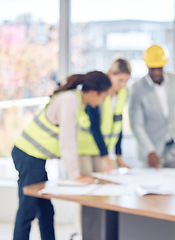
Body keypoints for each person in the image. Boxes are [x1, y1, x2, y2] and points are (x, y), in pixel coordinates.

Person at [12, 71, 111, 240]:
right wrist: (75, 175)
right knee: (27, 209)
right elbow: (67, 141)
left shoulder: (77, 101)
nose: (102, 102)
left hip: (35, 158)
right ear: (95, 92)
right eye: (103, 97)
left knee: (46, 211)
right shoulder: (71, 100)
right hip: (28, 155)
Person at [129, 44, 175, 168]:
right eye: (153, 68)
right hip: (151, 152)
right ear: (147, 66)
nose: (156, 72)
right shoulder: (137, 89)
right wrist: (150, 150)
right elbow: (136, 125)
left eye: (159, 67)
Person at [77, 59, 132, 175]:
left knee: (103, 182)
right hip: (84, 148)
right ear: (111, 73)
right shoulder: (98, 89)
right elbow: (94, 125)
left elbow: (118, 123)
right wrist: (106, 157)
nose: (123, 85)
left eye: (126, 81)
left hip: (102, 150)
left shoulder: (123, 93)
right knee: (86, 184)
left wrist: (118, 155)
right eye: (120, 80)